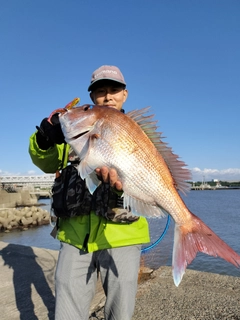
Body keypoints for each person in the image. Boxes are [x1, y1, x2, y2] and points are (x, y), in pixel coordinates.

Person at [29, 65, 150, 320]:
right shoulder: (74, 134)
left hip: (123, 236)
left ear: (125, 95)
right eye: (100, 91)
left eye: (114, 90)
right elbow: (46, 162)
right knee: (67, 314)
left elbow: (150, 173)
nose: (108, 97)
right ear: (92, 97)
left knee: (120, 313)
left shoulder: (138, 133)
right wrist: (44, 139)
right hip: (75, 236)